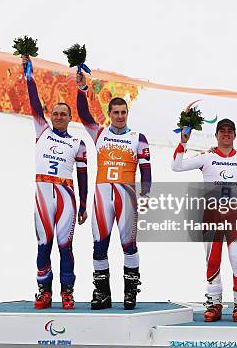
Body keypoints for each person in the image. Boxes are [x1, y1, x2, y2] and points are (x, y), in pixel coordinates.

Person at [172, 119, 237, 322]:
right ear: (216, 135)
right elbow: (176, 166)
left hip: (235, 218)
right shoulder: (207, 156)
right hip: (211, 217)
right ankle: (214, 305)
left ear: (235, 135)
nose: (226, 134)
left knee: (236, 261)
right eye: (222, 131)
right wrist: (183, 142)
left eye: (230, 131)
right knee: (212, 261)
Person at [75, 70, 151, 310]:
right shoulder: (100, 133)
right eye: (115, 112)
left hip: (126, 196)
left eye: (123, 112)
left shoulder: (138, 137)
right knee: (100, 245)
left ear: (127, 114)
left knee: (128, 245)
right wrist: (81, 89)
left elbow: (147, 172)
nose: (119, 116)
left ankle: (130, 293)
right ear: (109, 114)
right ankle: (102, 294)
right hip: (101, 197)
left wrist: (146, 194)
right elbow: (84, 114)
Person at [22, 57, 89, 310]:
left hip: (66, 197)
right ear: (50, 117)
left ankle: (67, 292)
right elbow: (34, 103)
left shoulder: (77, 144)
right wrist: (28, 74)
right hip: (42, 195)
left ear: (70, 118)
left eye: (63, 114)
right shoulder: (42, 131)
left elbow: (83, 176)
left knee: (65, 247)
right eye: (56, 114)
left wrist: (83, 204)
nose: (59, 117)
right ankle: (43, 291)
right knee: (43, 244)